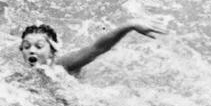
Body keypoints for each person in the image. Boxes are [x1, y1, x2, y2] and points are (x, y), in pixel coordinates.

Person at [18, 21, 165, 76]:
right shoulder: (23, 76)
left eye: (39, 46)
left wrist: (129, 26)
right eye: (26, 46)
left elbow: (97, 48)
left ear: (52, 51)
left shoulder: (63, 65)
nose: (31, 50)